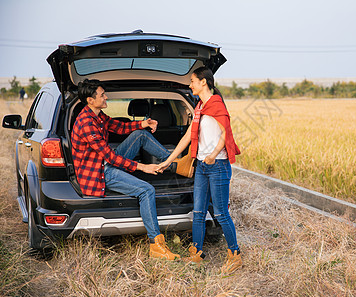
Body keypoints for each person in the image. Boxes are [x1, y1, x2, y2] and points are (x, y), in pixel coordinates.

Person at [71, 79, 194, 260]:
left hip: (105, 162)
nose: (106, 97)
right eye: (102, 95)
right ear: (90, 100)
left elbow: (118, 126)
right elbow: (110, 157)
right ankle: (156, 246)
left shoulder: (97, 115)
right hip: (99, 173)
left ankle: (176, 164)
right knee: (147, 190)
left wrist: (143, 124)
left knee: (140, 135)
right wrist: (143, 167)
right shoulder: (86, 123)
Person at [157, 67, 242, 274]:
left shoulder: (216, 104)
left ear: (204, 82)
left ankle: (235, 255)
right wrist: (169, 160)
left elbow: (226, 133)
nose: (190, 85)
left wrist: (213, 154)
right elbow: (187, 136)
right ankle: (197, 252)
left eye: (193, 81)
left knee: (221, 213)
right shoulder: (200, 107)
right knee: (198, 212)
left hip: (217, 166)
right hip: (202, 167)